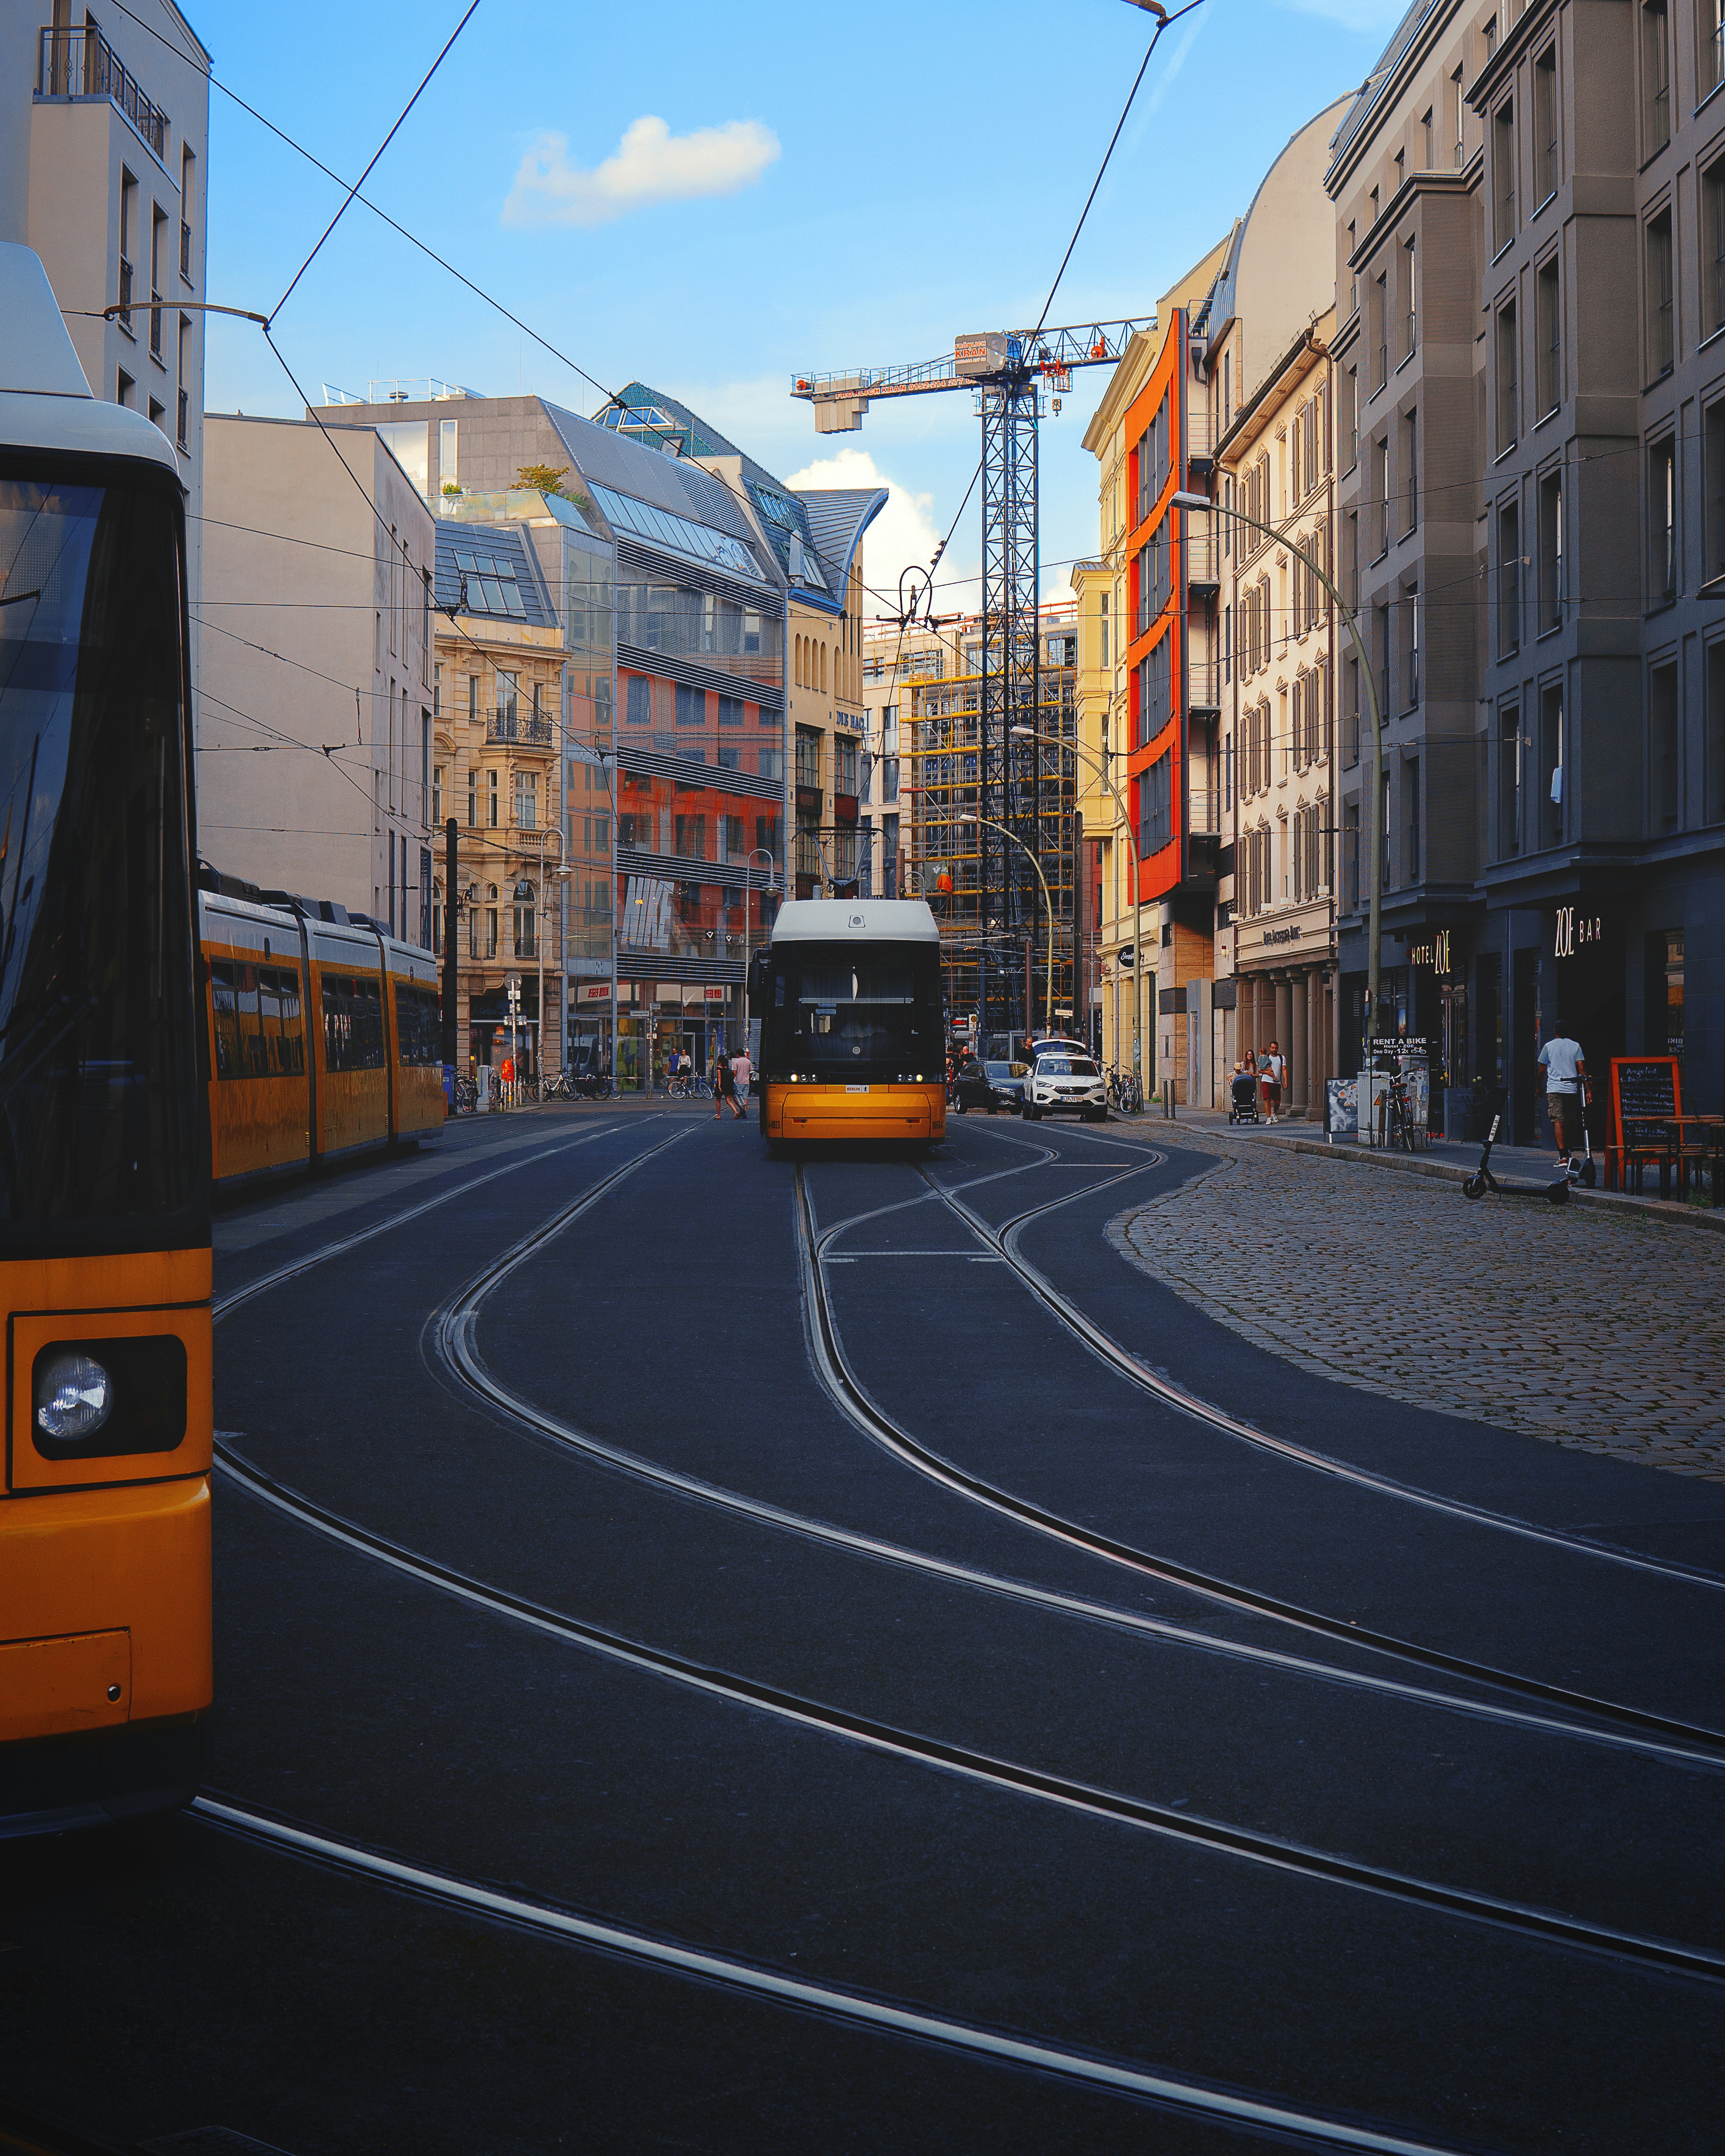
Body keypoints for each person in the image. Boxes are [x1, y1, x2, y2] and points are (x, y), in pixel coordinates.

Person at [1536, 1028, 1587, 1164]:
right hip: (1571, 1089)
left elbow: (1541, 1070)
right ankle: (1568, 1150)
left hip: (1555, 1089)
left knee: (1557, 1121)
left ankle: (1563, 1155)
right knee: (1569, 1122)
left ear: (1555, 1032)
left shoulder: (1549, 1046)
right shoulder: (1575, 1046)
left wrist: (1538, 1086)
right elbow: (1582, 1069)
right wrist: (1588, 1089)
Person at [1260, 1040, 1286, 1122]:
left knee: (1277, 1101)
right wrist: (1267, 1072)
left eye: (1276, 1048)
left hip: (1277, 1082)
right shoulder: (1266, 1057)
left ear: (1278, 1048)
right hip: (1266, 1081)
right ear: (1270, 1048)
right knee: (1267, 1099)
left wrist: (1286, 1081)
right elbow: (1260, 1070)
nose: (1274, 1050)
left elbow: (1284, 1070)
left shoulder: (1282, 1058)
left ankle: (1274, 1113)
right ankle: (1268, 1118)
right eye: (1273, 1048)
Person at [732, 1043, 753, 1115]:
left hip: (739, 1082)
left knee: (735, 1096)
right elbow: (751, 1071)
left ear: (737, 1054)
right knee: (745, 1097)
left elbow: (735, 1072)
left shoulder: (736, 1062)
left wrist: (733, 1079)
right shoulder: (748, 1061)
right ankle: (745, 1111)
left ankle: (741, 1108)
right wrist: (749, 1078)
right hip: (747, 1082)